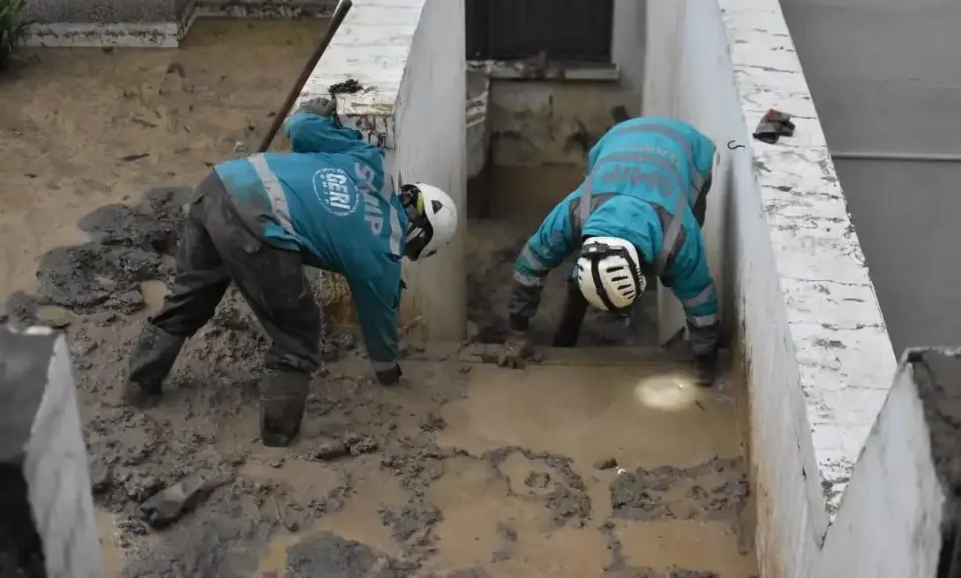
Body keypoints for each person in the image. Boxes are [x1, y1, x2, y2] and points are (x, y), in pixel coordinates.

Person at [124, 96, 458, 447]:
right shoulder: (384, 253)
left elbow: (300, 127)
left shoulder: (367, 160)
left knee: (191, 295)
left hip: (219, 184)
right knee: (298, 334)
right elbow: (380, 325)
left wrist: (316, 114)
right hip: (259, 223)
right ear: (420, 236)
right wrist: (389, 373)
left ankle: (138, 385)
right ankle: (279, 438)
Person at [500, 116, 720, 385]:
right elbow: (530, 266)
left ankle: (568, 334)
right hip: (618, 138)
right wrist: (516, 334)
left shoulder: (680, 237)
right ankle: (566, 336)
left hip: (687, 147)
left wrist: (704, 363)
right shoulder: (573, 212)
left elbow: (700, 300)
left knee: (683, 270)